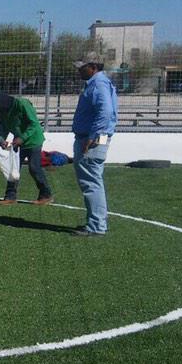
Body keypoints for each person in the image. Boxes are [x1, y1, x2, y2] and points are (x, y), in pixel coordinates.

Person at [71, 59, 118, 236]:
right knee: (93, 180)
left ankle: (96, 226)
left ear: (93, 67)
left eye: (82, 68)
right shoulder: (101, 83)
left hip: (91, 139)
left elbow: (105, 111)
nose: (79, 71)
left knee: (91, 182)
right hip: (94, 137)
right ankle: (97, 222)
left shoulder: (98, 84)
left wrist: (92, 136)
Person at [0, 93, 54, 206]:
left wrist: (22, 138)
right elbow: (3, 127)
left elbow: (34, 124)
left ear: (4, 103)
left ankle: (46, 195)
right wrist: (1, 139)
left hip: (33, 140)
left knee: (34, 168)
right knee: (13, 169)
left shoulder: (22, 104)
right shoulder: (3, 111)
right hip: (18, 142)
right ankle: (10, 196)